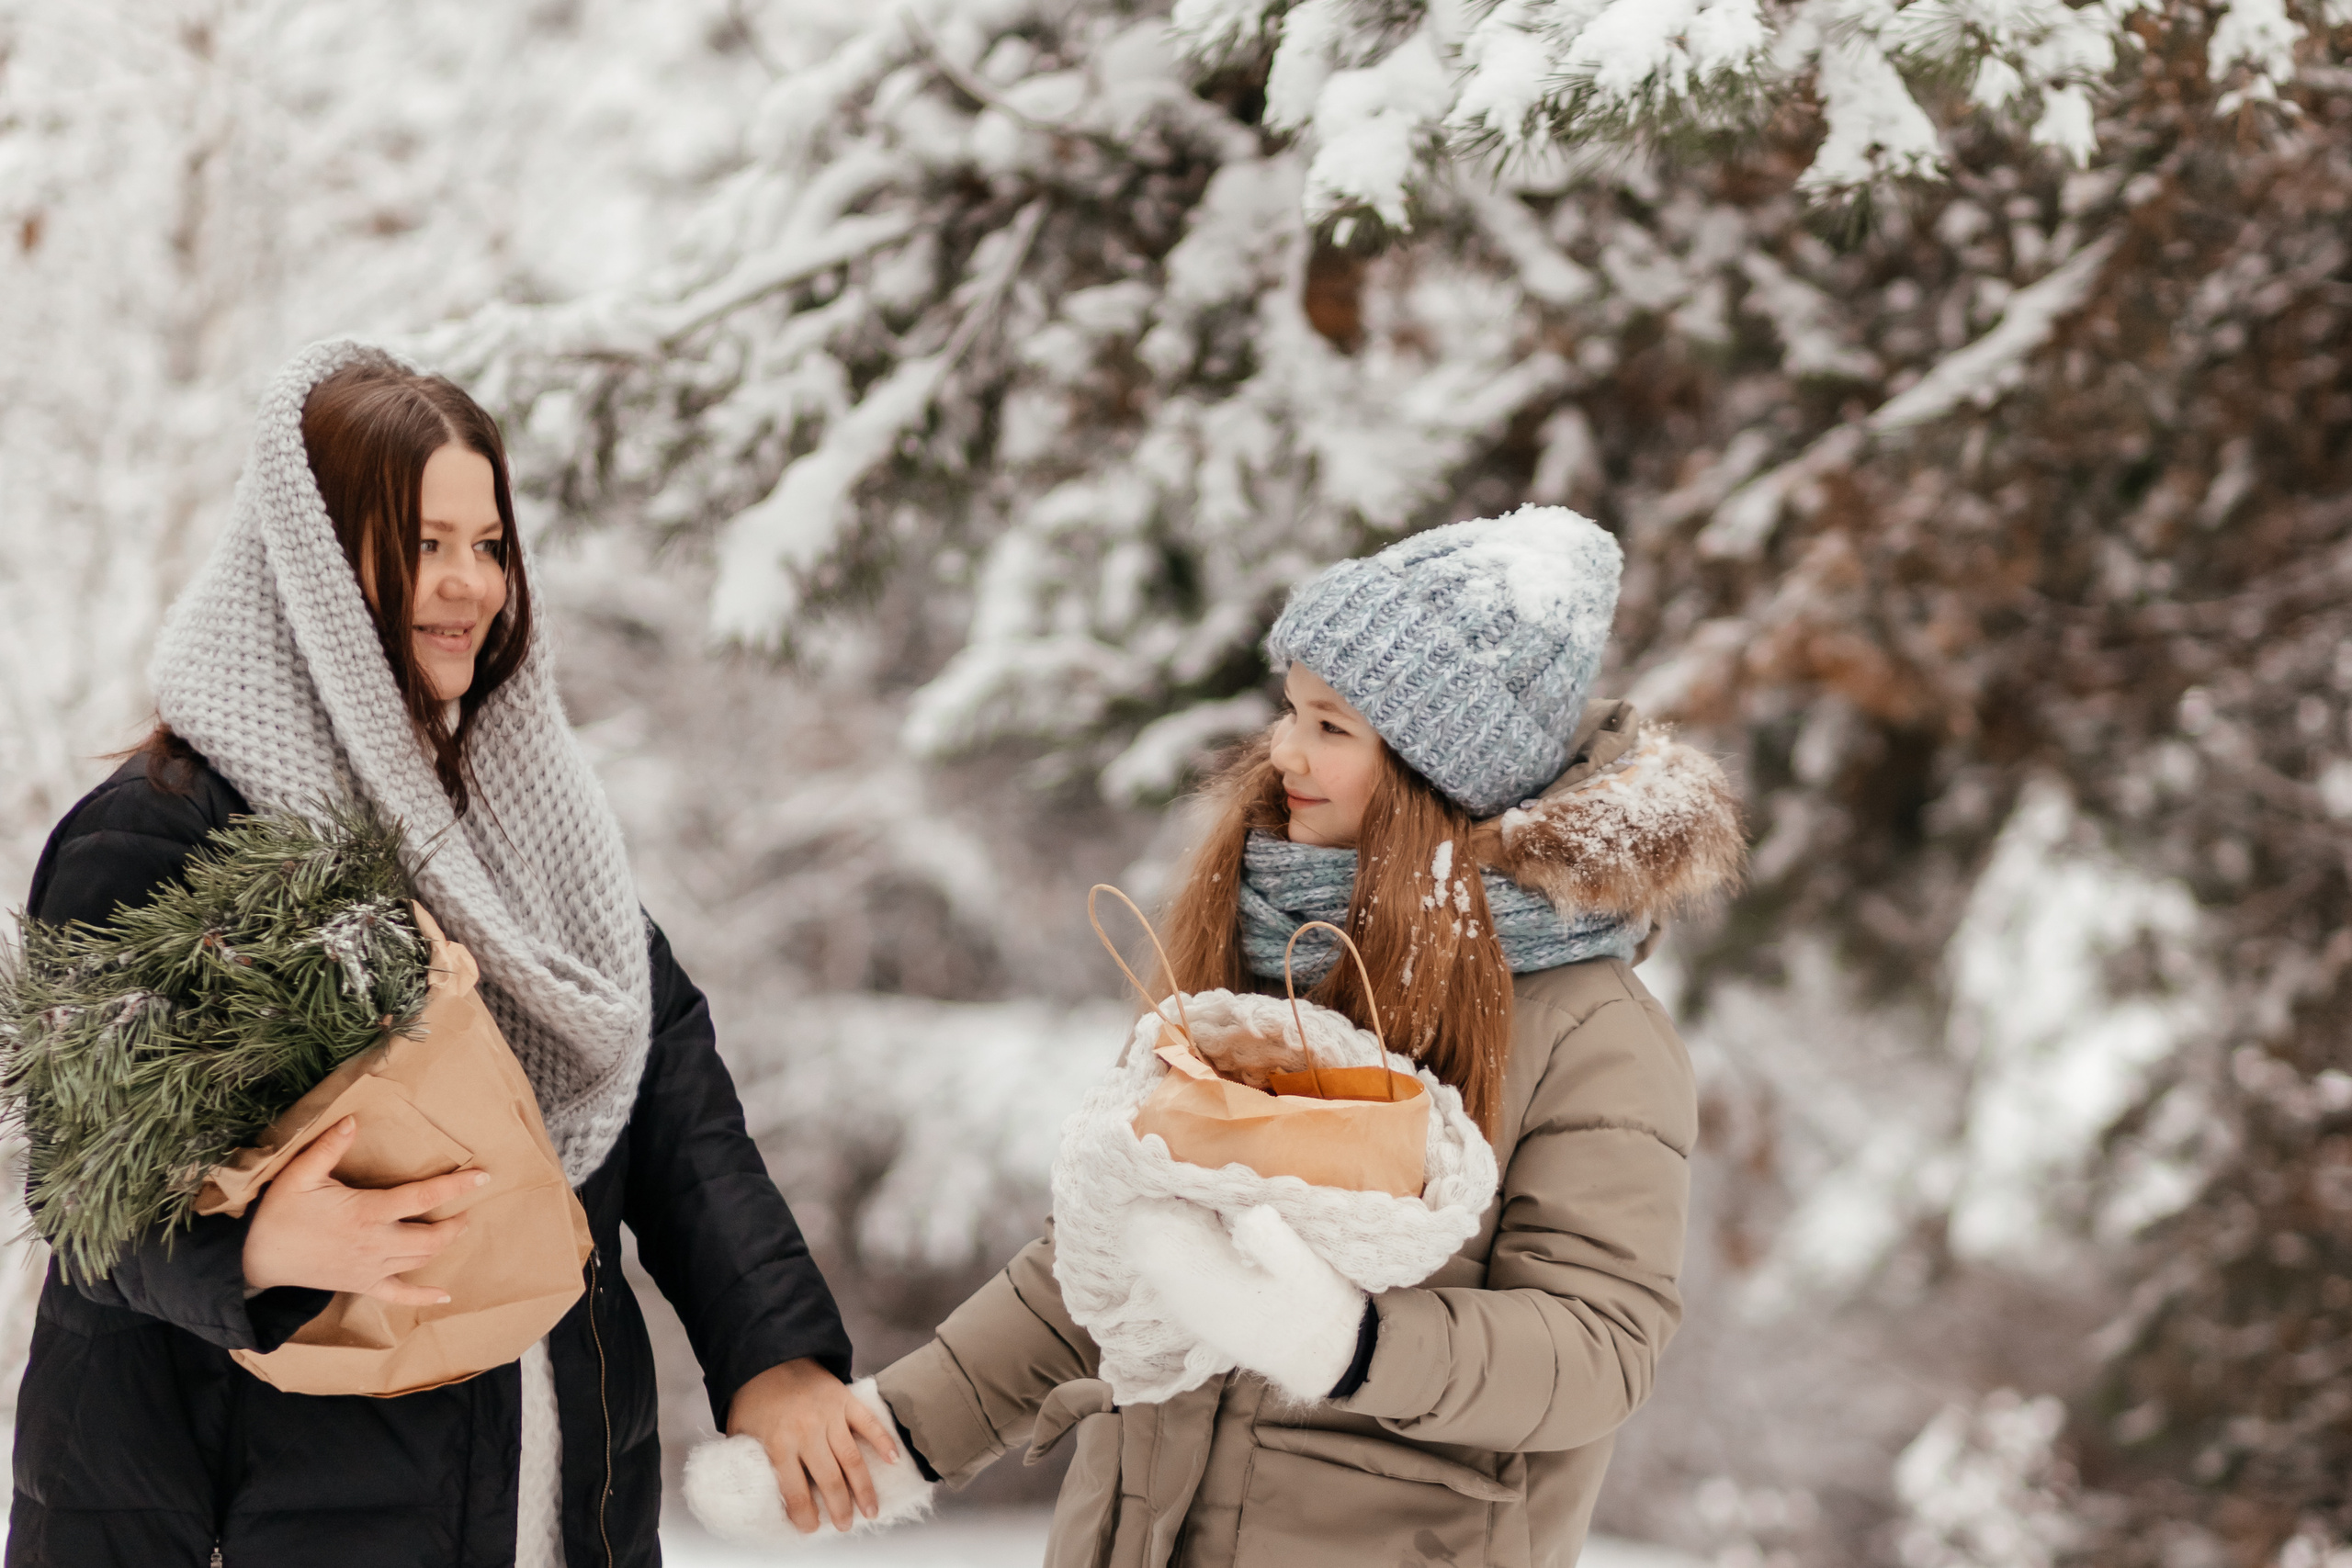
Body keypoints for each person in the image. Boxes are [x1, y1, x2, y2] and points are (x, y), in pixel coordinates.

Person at [6, 341, 889, 1568]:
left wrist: (774, 1353)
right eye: (423, 542)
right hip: (221, 1513)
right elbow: (81, 1185)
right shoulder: (162, 832)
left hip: (552, 1497)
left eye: (490, 543)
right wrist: (257, 1248)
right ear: (309, 570)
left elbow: (673, 1104)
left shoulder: (530, 830)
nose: (468, 582)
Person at [869, 509, 1747, 1566]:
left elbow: (1598, 1349)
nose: (1283, 751)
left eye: (1332, 727)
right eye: (1291, 711)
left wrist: (1348, 1343)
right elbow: (1115, 1250)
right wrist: (889, 1439)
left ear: (1439, 774)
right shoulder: (1266, 950)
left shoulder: (1591, 1033)